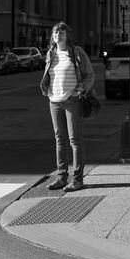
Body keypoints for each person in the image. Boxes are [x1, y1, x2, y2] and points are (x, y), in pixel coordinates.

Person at [39, 22, 94, 192]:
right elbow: (49, 75)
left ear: (67, 35)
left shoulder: (76, 52)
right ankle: (62, 177)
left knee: (74, 140)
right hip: (54, 101)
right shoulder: (51, 53)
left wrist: (81, 90)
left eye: (61, 32)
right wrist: (48, 92)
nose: (58, 35)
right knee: (59, 140)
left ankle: (77, 179)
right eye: (55, 33)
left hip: (72, 100)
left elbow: (89, 74)